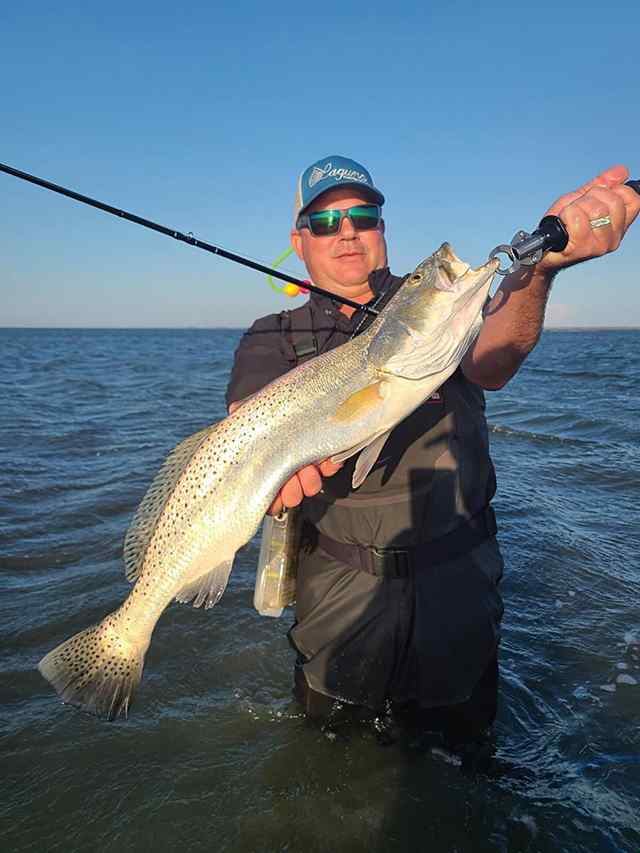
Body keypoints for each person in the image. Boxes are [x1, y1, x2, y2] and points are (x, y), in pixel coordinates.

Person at [225, 155, 639, 746]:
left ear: (382, 229)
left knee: (465, 750)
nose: (347, 231)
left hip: (459, 587)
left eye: (363, 216)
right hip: (340, 592)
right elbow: (246, 429)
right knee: (329, 749)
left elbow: (492, 358)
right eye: (326, 221)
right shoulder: (271, 336)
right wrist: (262, 482)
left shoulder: (437, 304)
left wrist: (540, 269)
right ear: (299, 239)